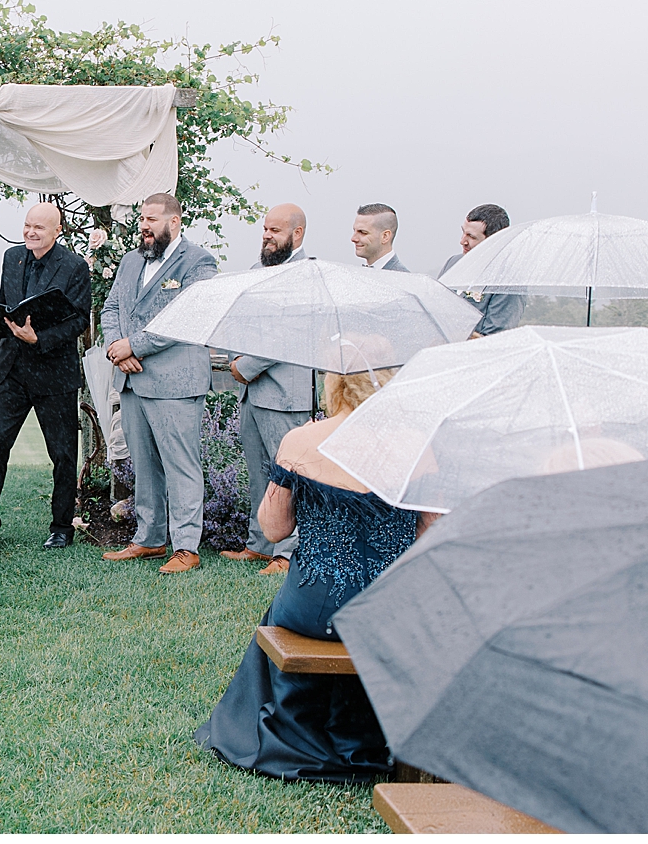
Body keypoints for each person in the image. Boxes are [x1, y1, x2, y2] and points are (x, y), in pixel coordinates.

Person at [194, 368, 419, 781]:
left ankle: (292, 733)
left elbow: (274, 529)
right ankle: (371, 737)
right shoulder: (420, 449)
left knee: (278, 613)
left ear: (334, 383)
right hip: (388, 613)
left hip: (313, 606)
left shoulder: (302, 441)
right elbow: (434, 538)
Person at [99, 192, 220, 574]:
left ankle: (186, 546)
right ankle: (149, 538)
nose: (145, 227)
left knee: (180, 464)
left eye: (152, 220)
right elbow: (111, 307)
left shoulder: (199, 262)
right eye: (141, 220)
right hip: (132, 380)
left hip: (176, 382)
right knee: (144, 465)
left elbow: (185, 317)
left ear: (175, 221)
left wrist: (132, 344)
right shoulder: (132, 260)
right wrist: (117, 348)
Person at [0, 201, 93, 553]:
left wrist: (39, 339)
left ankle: (61, 528)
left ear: (57, 231)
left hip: (54, 374)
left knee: (62, 454)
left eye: (39, 228)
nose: (30, 232)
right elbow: (4, 309)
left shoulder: (74, 266)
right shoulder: (10, 258)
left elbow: (79, 320)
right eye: (28, 225)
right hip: (13, 371)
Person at [223, 202, 313, 574]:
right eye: (265, 229)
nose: (266, 236)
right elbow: (236, 322)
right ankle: (259, 544)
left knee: (289, 477)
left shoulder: (307, 276)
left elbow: (288, 335)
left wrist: (244, 366)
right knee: (259, 473)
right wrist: (234, 358)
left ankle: (289, 552)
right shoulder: (255, 273)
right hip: (252, 394)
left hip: (285, 394)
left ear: (297, 234)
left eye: (275, 230)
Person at [438, 203, 524, 336]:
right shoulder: (453, 263)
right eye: (463, 232)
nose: (462, 241)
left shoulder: (509, 281)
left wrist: (453, 332)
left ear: (494, 241)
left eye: (471, 237)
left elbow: (495, 336)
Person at [351, 203, 406, 271]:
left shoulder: (401, 278)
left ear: (385, 236)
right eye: (354, 231)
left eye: (363, 232)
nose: (353, 239)